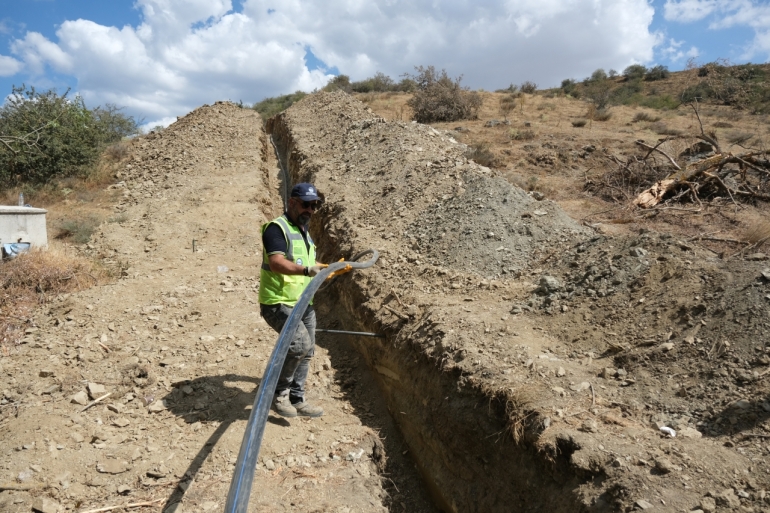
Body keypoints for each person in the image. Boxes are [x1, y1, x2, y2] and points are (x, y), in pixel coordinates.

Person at [259, 183, 327, 418]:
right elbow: (277, 262)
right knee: (299, 345)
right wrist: (307, 270)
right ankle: (278, 394)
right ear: (292, 202)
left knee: (307, 352)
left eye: (314, 205)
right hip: (277, 302)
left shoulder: (303, 231)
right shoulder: (276, 229)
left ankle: (297, 398)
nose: (310, 209)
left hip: (303, 303)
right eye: (306, 204)